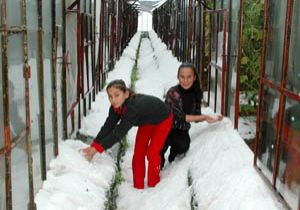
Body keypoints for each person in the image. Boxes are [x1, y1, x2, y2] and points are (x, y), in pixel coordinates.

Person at [80, 79, 173, 189]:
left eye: (116, 95)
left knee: (152, 153)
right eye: (110, 96)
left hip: (163, 119)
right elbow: (108, 126)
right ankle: (138, 186)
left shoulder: (133, 108)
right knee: (139, 152)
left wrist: (96, 150)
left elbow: (118, 133)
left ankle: (154, 185)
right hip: (147, 121)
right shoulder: (116, 107)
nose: (113, 100)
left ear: (126, 94)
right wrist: (94, 145)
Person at [160, 63, 223, 168]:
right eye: (182, 77)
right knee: (159, 149)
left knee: (183, 146)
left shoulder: (196, 93)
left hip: (181, 130)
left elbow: (196, 116)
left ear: (194, 77)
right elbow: (179, 117)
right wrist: (204, 117)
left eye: (189, 77)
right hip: (164, 127)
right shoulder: (173, 93)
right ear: (178, 77)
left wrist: (211, 117)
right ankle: (159, 165)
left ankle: (173, 155)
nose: (185, 80)